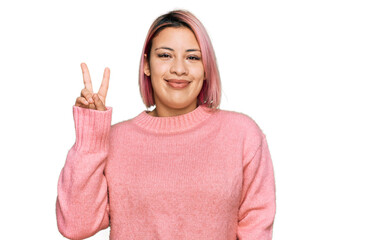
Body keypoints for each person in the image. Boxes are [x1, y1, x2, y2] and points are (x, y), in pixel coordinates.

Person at [56, 9, 276, 240]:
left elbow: (256, 230)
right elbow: (75, 225)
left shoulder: (242, 135)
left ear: (206, 68)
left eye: (192, 57)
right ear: (146, 65)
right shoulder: (116, 139)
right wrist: (91, 137)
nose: (179, 69)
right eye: (164, 55)